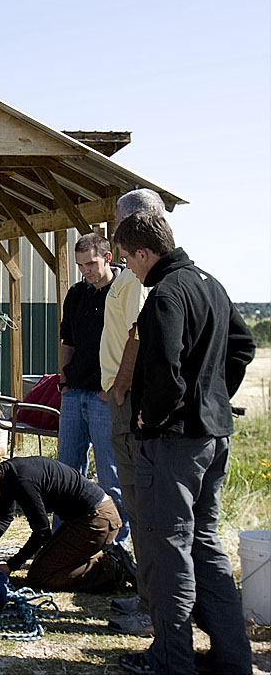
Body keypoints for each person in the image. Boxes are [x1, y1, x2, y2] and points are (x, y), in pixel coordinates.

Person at [114, 212, 254, 675]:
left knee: (165, 549)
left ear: (144, 252)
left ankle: (172, 658)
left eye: (129, 261)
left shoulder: (166, 294)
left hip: (174, 443)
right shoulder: (210, 283)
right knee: (205, 546)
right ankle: (233, 658)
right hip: (213, 436)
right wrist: (213, 395)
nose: (130, 270)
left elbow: (167, 370)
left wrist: (149, 415)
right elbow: (243, 346)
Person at [99, 189, 165, 637]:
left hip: (128, 405)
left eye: (120, 226)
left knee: (143, 508)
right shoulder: (133, 276)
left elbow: (138, 340)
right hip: (119, 401)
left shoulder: (142, 279)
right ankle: (146, 594)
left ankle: (151, 606)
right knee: (139, 506)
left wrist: (121, 388)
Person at [0, 454, 126, 592]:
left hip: (97, 520)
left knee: (40, 575)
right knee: (45, 563)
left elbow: (42, 532)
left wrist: (11, 565)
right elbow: (5, 518)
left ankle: (113, 568)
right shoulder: (5, 474)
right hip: (85, 518)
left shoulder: (22, 482)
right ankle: (110, 564)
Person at [57, 232, 129, 544]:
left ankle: (117, 543)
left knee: (110, 475)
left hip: (106, 396)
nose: (86, 270)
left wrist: (115, 389)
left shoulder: (125, 291)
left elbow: (134, 344)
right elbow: (66, 340)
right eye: (80, 265)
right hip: (75, 393)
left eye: (91, 263)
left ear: (108, 257)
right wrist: (63, 381)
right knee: (66, 472)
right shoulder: (76, 294)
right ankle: (63, 538)